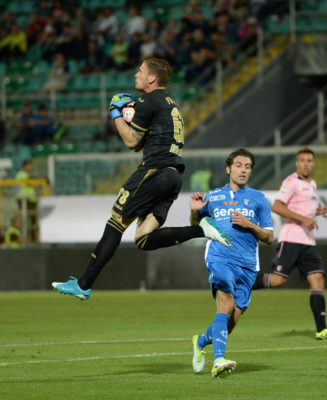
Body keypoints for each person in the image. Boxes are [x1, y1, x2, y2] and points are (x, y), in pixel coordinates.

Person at [52, 58, 231, 301]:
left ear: (152, 78)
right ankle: (201, 229)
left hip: (154, 171)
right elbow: (141, 143)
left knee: (117, 221)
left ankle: (84, 285)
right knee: (143, 238)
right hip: (173, 176)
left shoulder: (149, 100)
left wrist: (116, 113)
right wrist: (129, 117)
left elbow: (131, 141)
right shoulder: (170, 104)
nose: (136, 74)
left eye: (141, 71)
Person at [190, 148, 274, 378]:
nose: (243, 170)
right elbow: (197, 226)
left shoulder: (259, 199)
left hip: (248, 265)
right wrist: (195, 212)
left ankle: (200, 341)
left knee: (231, 322)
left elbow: (269, 237)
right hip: (220, 258)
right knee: (225, 306)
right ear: (228, 168)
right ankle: (219, 360)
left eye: (247, 167)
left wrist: (251, 225)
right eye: (238, 165)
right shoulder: (213, 196)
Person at [252, 148, 327, 341]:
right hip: (291, 239)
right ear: (297, 163)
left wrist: (316, 212)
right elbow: (277, 206)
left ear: (313, 163)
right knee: (278, 280)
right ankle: (242, 284)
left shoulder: (312, 184)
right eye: (302, 160)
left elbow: (302, 208)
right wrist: (304, 219)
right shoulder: (291, 182)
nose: (305, 164)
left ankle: (322, 329)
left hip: (308, 241)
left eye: (309, 160)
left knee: (318, 278)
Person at [15, 159, 39, 243]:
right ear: (24, 166)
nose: (31, 167)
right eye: (29, 165)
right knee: (25, 220)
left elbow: (34, 186)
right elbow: (28, 182)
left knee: (33, 220)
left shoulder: (29, 175)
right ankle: (24, 238)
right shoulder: (20, 174)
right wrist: (34, 184)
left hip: (32, 200)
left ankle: (33, 239)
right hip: (24, 200)